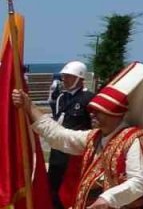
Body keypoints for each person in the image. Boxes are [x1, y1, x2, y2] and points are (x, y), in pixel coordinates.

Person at [13, 62, 143, 209]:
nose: (92, 114)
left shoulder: (133, 139)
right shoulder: (94, 137)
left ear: (115, 115)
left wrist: (108, 199)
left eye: (99, 111)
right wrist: (29, 106)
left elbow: (139, 182)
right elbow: (60, 136)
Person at [47, 60, 93, 209]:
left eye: (68, 76)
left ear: (80, 78)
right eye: (64, 76)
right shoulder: (62, 97)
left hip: (74, 155)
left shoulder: (89, 99)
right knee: (53, 190)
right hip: (58, 153)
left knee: (72, 192)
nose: (64, 80)